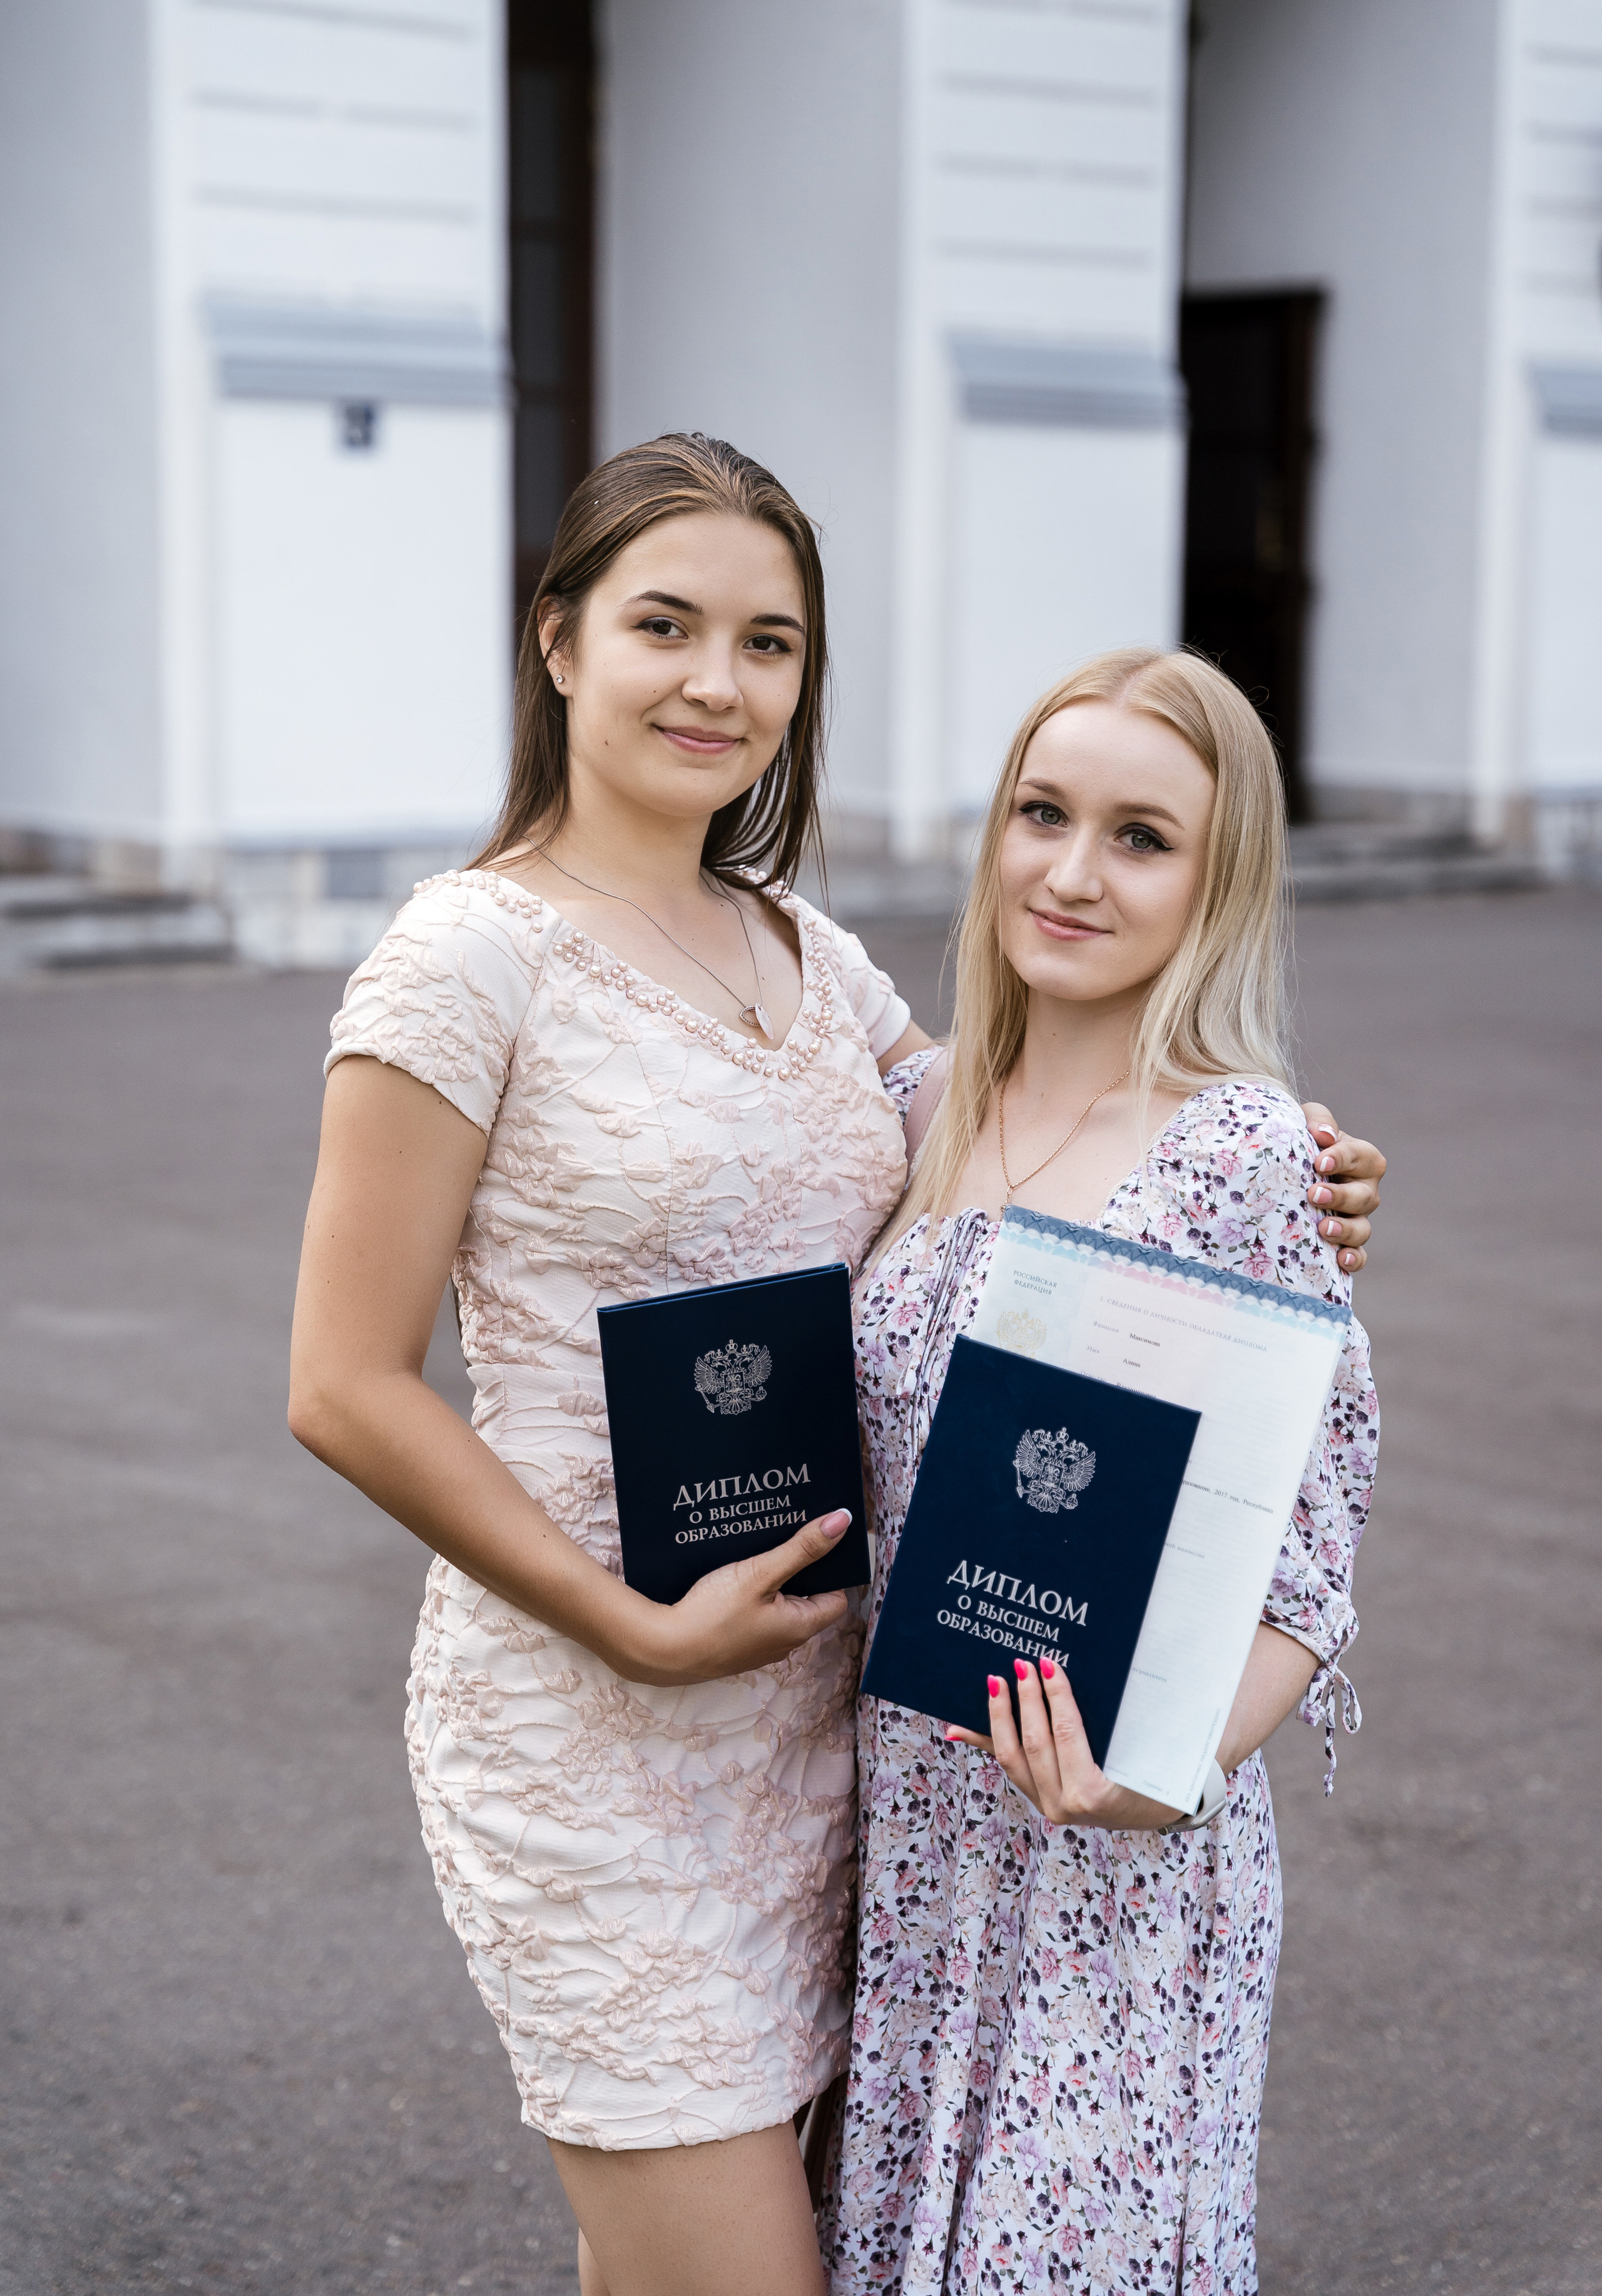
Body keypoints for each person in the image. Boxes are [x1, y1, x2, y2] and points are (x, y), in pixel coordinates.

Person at [287, 439, 1384, 2296]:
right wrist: (626, 1626)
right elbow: (341, 1383)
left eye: (770, 641)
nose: (719, 681)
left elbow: (1016, 1131)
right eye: (664, 624)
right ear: (558, 644)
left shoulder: (804, 954)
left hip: (829, 1738)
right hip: (594, 1719)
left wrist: (1278, 1151)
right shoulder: (464, 960)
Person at [818, 646, 1380, 2295]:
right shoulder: (927, 1115)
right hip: (914, 1827)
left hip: (1110, 1855)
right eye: (1042, 815)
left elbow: (1313, 1550)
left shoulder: (1245, 1153)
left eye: (1141, 838)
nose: (1070, 873)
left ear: (1221, 882)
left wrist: (1170, 1772)